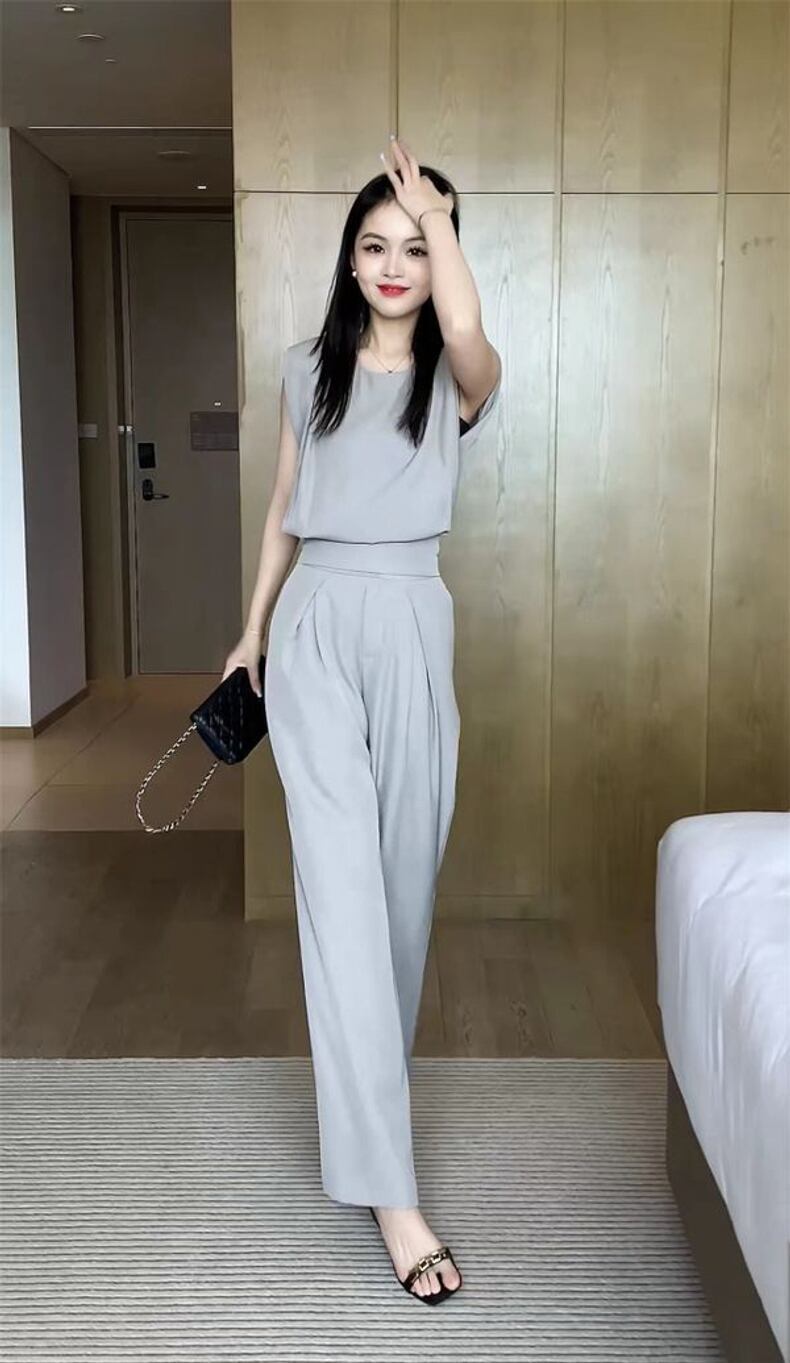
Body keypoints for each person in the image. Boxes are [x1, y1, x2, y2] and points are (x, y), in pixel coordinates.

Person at [222, 135, 502, 1304]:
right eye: (375, 244)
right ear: (347, 260)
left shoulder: (458, 376)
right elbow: (284, 508)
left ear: (441, 261)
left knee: (397, 898)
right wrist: (253, 632)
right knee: (339, 900)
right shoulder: (304, 369)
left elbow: (470, 330)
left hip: (413, 623)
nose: (395, 264)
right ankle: (394, 1196)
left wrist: (434, 212)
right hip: (317, 631)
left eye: (417, 246)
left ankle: (372, 1119)